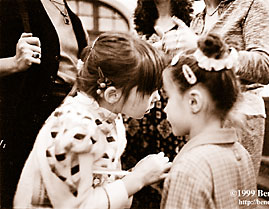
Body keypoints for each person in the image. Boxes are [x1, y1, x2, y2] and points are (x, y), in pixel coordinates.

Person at [14, 31, 172, 209]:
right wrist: (137, 178)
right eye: (150, 89)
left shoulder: (108, 116)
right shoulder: (76, 129)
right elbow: (76, 206)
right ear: (112, 94)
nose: (157, 97)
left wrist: (133, 175)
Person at [162, 0, 269, 176]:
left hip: (239, 116)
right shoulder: (198, 19)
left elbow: (265, 66)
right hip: (200, 115)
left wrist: (201, 45)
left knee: (234, 196)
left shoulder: (252, 4)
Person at [0, 0, 88, 207]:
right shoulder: (10, 5)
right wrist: (14, 63)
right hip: (22, 129)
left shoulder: (72, 17)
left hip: (63, 128)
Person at [160, 33, 257, 209]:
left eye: (168, 97)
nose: (165, 108)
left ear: (193, 102)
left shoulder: (189, 169)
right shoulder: (242, 154)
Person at [122, 1, 194, 208]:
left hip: (170, 102)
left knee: (169, 166)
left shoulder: (187, 25)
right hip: (142, 105)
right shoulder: (141, 27)